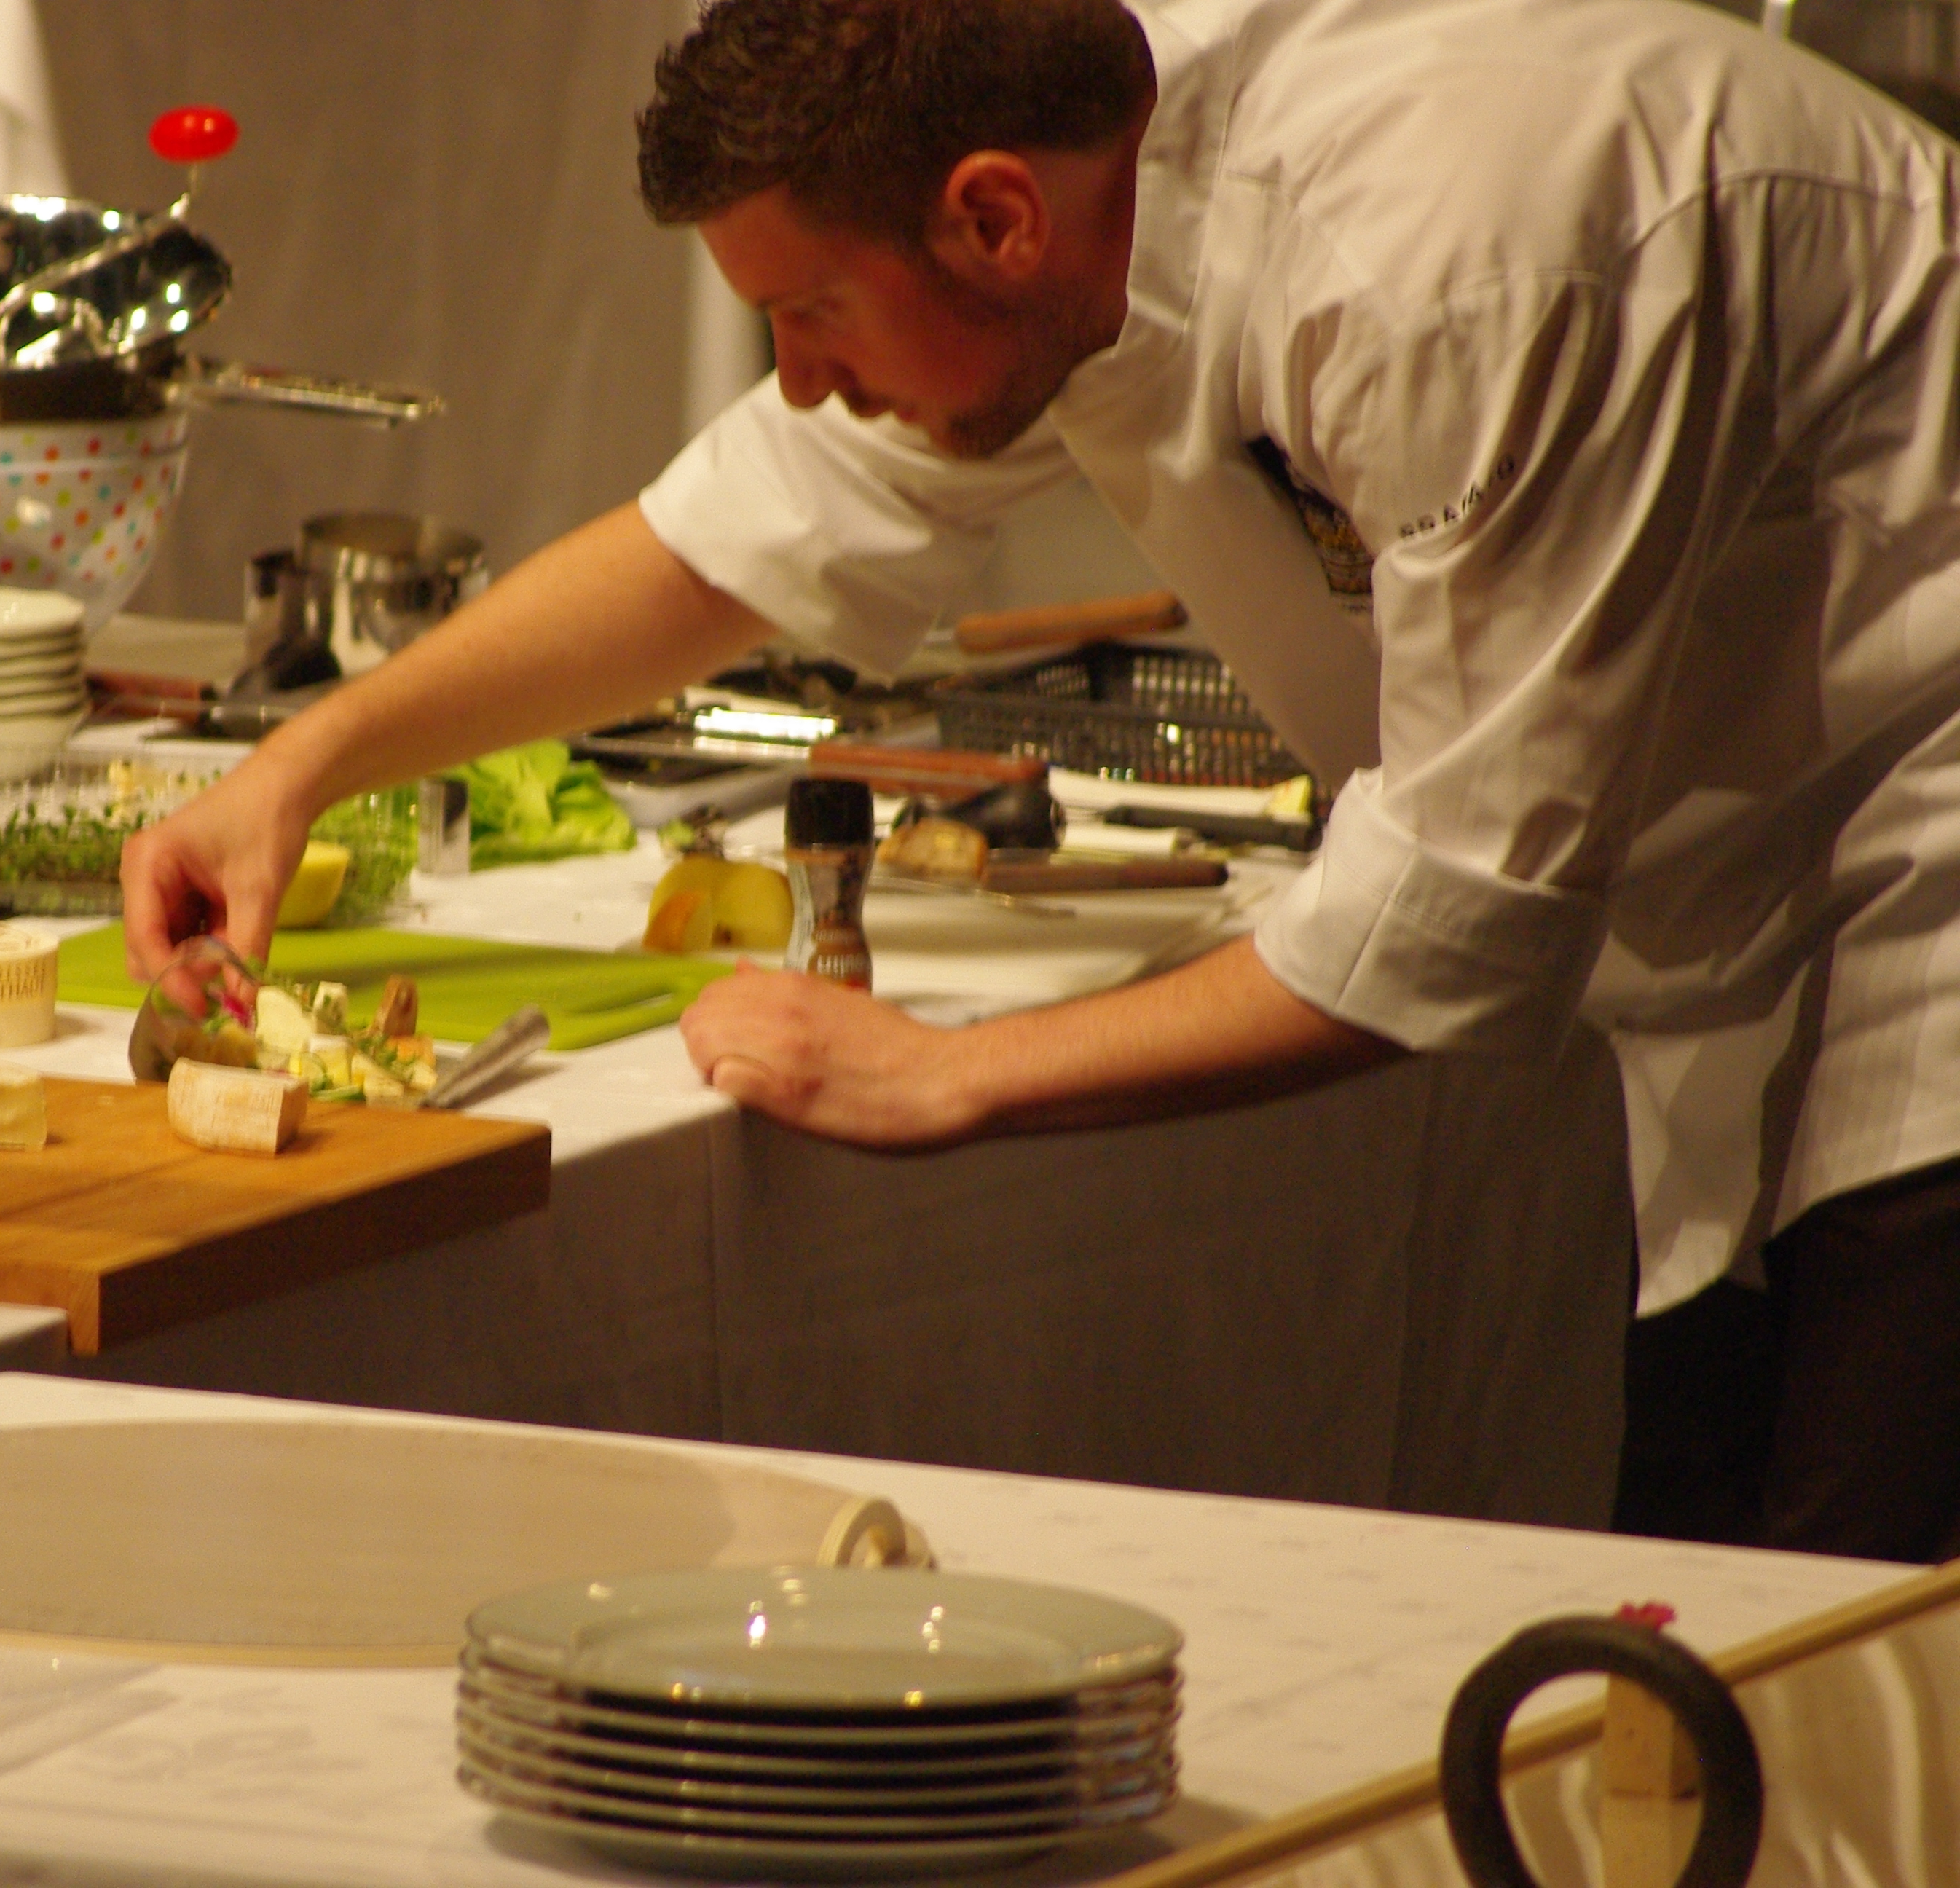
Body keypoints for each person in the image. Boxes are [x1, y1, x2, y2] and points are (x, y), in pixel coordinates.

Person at [123, 0, 1960, 1562]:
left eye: (811, 317)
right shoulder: (1071, 205)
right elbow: (735, 537)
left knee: (1857, 1642)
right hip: (1738, 899)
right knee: (1708, 1623)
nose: (801, 381)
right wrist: (304, 763)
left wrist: (953, 1075)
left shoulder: (1453, 254)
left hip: (1927, 855)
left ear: (993, 218)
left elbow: (1461, 907)